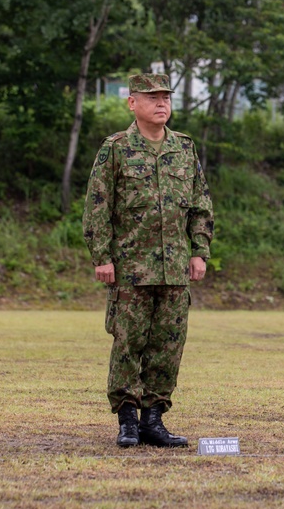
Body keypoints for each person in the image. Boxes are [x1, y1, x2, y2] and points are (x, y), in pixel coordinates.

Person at [83, 73, 214, 448]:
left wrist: (199, 250)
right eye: (152, 97)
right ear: (132, 103)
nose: (161, 104)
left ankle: (153, 419)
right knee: (128, 342)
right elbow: (97, 206)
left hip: (174, 268)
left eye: (166, 98)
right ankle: (127, 420)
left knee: (168, 344)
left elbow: (201, 204)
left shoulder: (184, 148)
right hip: (130, 267)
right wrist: (102, 256)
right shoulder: (116, 147)